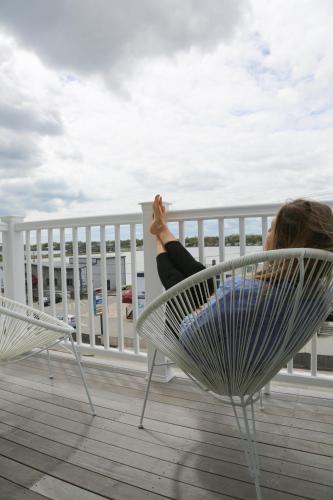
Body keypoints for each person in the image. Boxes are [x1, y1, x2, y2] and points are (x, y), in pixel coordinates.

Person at [150, 194, 333, 341]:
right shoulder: (320, 294)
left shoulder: (240, 291)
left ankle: (158, 234)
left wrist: (202, 309)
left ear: (282, 244)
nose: (267, 233)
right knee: (201, 275)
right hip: (257, 361)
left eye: (271, 229)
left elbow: (186, 332)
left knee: (176, 284)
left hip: (214, 358)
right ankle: (161, 230)